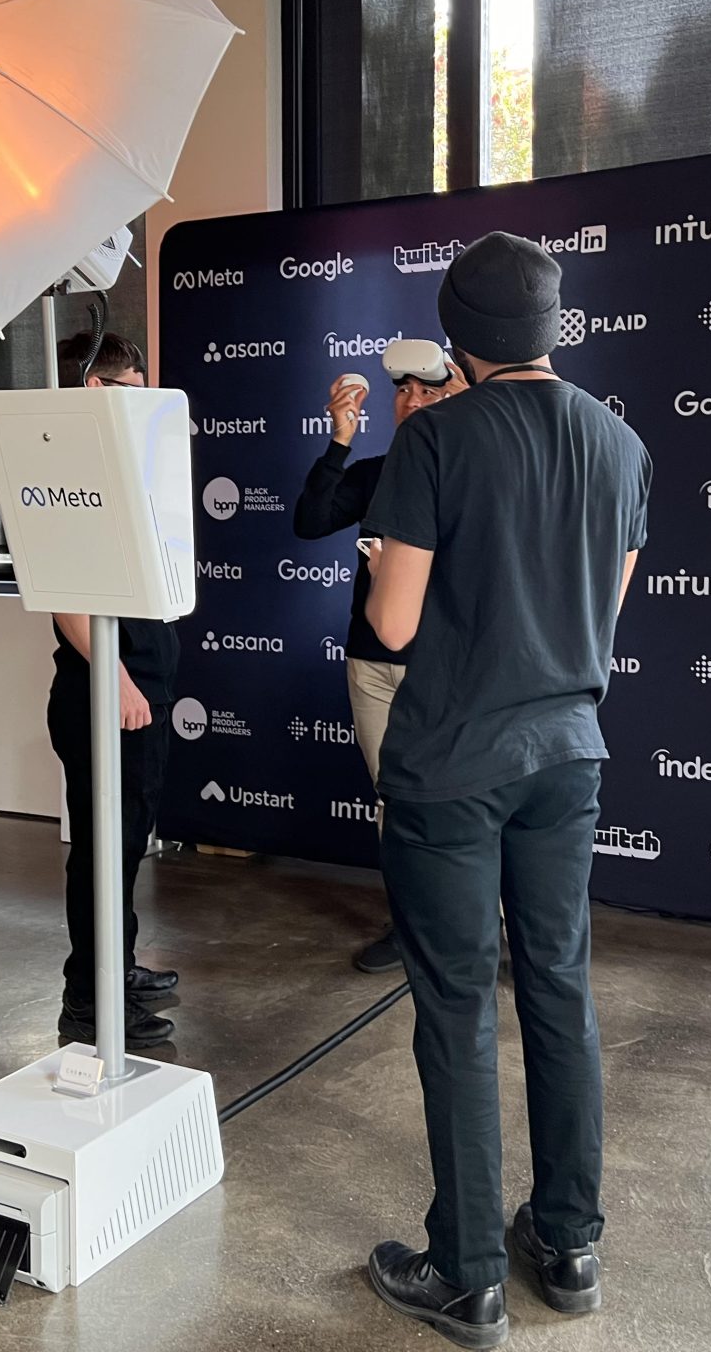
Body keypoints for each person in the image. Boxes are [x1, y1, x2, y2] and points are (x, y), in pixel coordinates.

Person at [358, 233, 652, 1348]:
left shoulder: (435, 439)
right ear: (549, 326)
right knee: (560, 990)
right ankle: (568, 1245)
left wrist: (399, 569)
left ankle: (467, 1271)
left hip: (451, 759)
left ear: (460, 339)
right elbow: (603, 610)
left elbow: (392, 624)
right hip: (568, 753)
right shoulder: (621, 444)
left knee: (456, 1006)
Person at [293, 355, 464, 974]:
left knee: (461, 799)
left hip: (446, 668)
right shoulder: (376, 472)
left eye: (429, 390)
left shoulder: (475, 472)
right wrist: (340, 440)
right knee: (395, 800)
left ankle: (479, 925)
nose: (412, 400)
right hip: (372, 666)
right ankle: (410, 925)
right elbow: (310, 521)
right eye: (404, 390)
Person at [48, 330, 180, 1048]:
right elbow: (64, 595)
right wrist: (120, 680)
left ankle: (115, 968)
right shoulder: (65, 470)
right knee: (102, 851)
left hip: (140, 694)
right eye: (133, 388)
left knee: (125, 847)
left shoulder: (117, 465)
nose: (142, 400)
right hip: (107, 697)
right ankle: (87, 1000)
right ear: (97, 388)